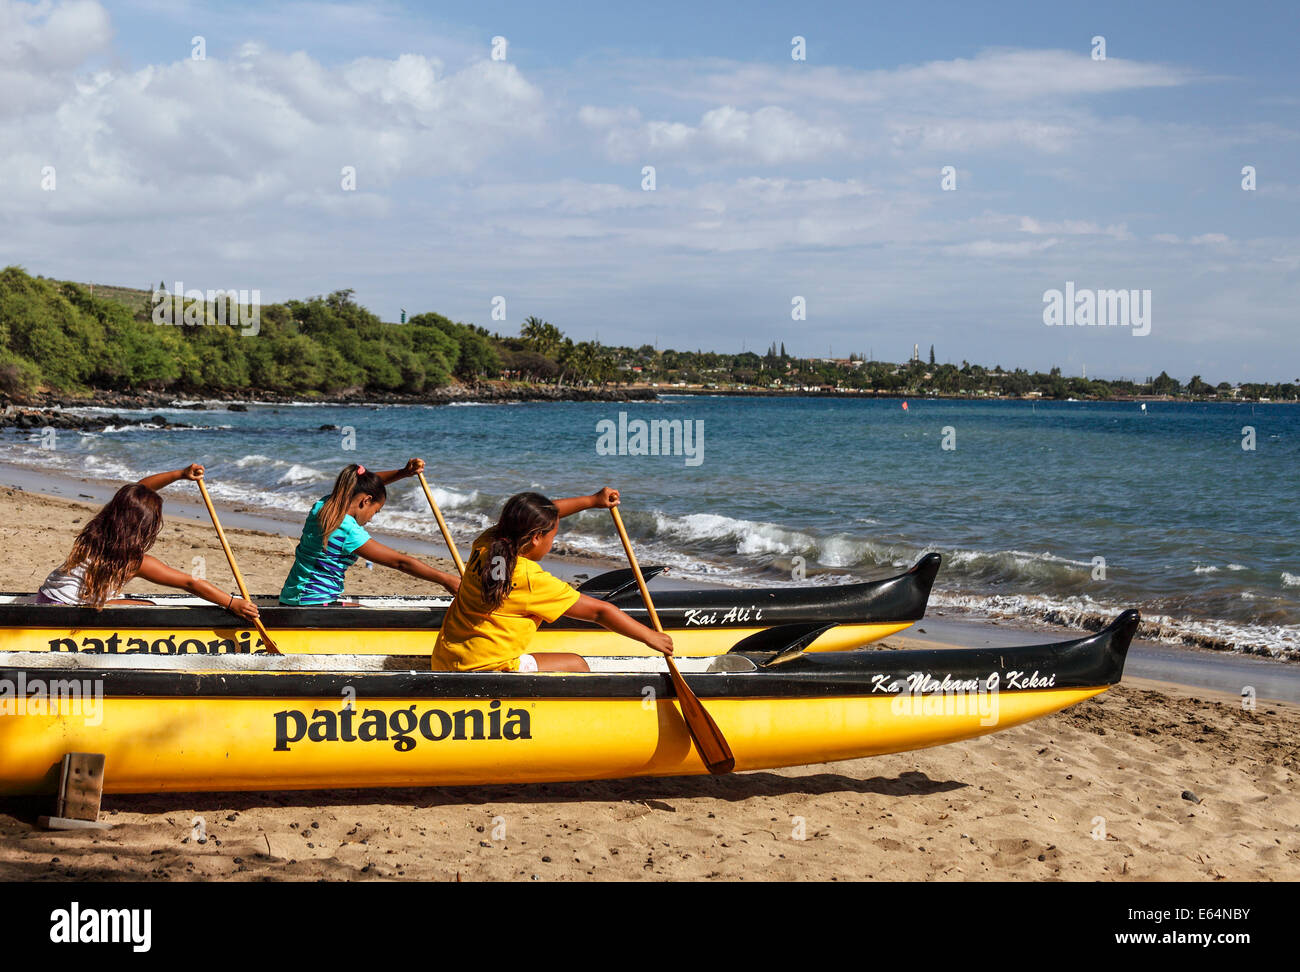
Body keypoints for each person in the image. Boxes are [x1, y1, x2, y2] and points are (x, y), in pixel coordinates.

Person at [431, 488, 673, 673]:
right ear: (537, 537)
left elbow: (538, 515)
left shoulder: (487, 542)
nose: (552, 542)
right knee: (576, 664)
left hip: (444, 658)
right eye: (552, 535)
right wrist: (650, 636)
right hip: (488, 669)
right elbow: (600, 612)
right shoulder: (530, 579)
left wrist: (592, 501)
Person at [37, 464, 260, 620]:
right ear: (144, 529)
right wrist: (232, 604)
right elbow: (190, 583)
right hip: (66, 613)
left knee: (127, 600)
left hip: (45, 599)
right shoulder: (134, 561)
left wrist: (180, 474)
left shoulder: (98, 529)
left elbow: (138, 490)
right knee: (148, 607)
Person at [279, 459, 460, 605]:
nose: (371, 518)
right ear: (366, 501)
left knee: (362, 608)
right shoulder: (347, 530)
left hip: (292, 595)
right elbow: (401, 563)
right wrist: (446, 579)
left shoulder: (322, 507)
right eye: (375, 511)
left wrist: (403, 473)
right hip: (313, 601)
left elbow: (365, 483)